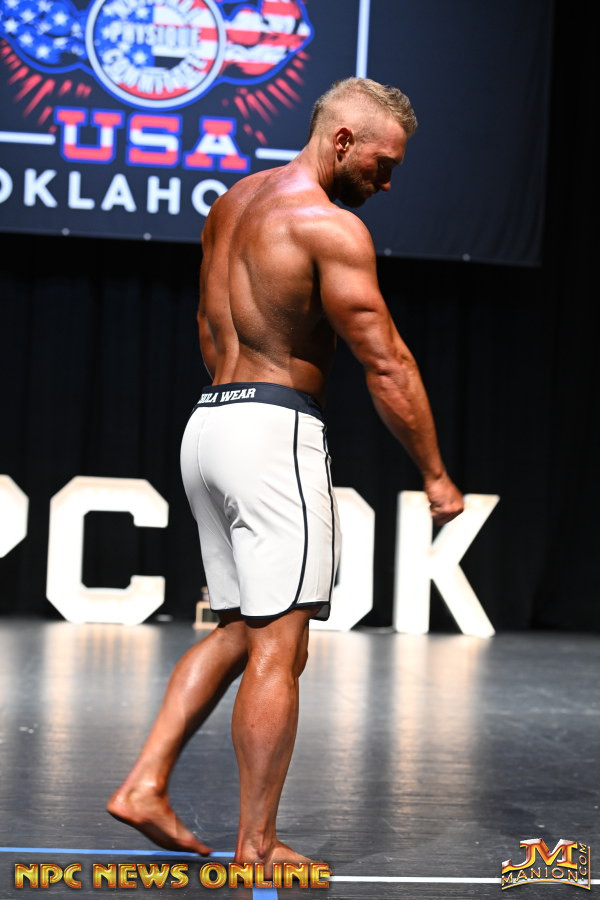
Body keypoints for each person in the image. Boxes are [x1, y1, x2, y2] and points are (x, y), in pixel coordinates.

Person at [107, 77, 464, 872]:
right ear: (342, 140)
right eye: (382, 164)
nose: (386, 182)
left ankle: (145, 783)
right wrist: (436, 474)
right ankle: (258, 845)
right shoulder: (327, 227)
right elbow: (386, 361)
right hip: (273, 432)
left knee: (241, 628)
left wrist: (236, 407)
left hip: (209, 425)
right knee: (282, 646)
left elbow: (207, 324)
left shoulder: (232, 204)